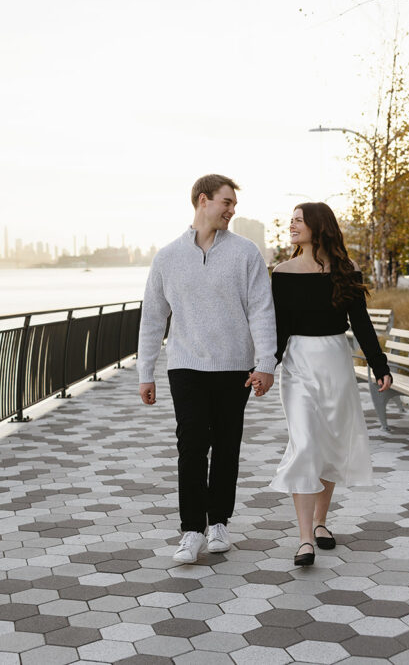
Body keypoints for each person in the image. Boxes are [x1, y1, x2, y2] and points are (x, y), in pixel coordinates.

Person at [138, 174, 278, 564]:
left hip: (235, 366)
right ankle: (191, 530)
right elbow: (152, 318)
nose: (232, 210)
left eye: (233, 204)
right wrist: (144, 372)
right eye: (226, 202)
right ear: (203, 200)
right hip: (185, 365)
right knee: (192, 446)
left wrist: (265, 363)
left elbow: (261, 310)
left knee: (227, 445)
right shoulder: (167, 257)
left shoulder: (246, 253)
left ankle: (219, 522)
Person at [263, 202, 392, 566]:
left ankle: (321, 522)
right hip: (299, 364)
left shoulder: (346, 270)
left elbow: (361, 323)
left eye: (298, 220)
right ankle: (304, 539)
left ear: (319, 227)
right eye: (291, 220)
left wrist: (379, 365)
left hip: (336, 360)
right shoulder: (283, 272)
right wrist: (265, 367)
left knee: (332, 443)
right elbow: (279, 328)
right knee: (304, 443)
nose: (291, 225)